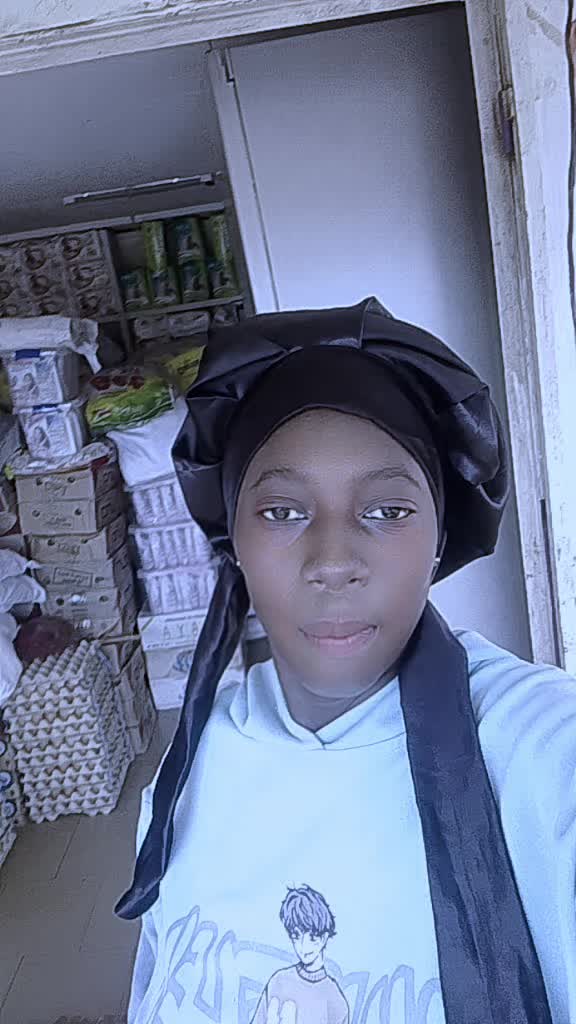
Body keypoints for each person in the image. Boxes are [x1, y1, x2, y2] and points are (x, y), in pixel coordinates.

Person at [117, 297, 574, 1024]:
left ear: (438, 537)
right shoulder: (188, 769)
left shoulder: (539, 750)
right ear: (233, 540)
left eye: (386, 511)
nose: (333, 562)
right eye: (282, 511)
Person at [250, 885, 349, 1024]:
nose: (303, 946)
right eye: (296, 936)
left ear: (324, 937)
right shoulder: (278, 982)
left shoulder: (335, 1001)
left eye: (312, 937)